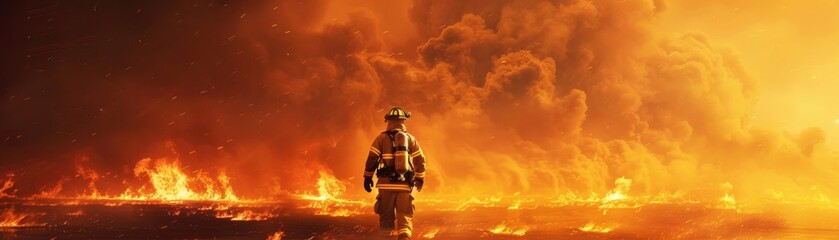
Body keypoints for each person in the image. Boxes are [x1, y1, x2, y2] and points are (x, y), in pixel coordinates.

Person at [363, 106, 427, 240]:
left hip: (385, 186)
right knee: (405, 217)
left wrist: (367, 177)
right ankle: (404, 238)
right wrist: (419, 178)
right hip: (404, 186)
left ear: (388, 121)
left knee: (386, 219)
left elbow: (372, 159)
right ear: (403, 121)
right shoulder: (410, 139)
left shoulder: (380, 139)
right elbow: (419, 159)